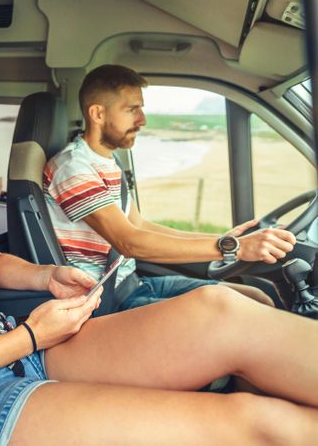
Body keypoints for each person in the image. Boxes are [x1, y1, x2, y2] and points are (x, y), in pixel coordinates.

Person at [0, 66, 318, 445]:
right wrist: (29, 336)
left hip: (17, 348)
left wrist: (48, 276)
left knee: (225, 310)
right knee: (259, 423)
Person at [43, 64, 291, 311]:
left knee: (255, 298)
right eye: (132, 110)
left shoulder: (107, 161)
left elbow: (139, 226)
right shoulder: (73, 167)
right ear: (98, 114)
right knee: (240, 312)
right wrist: (235, 249)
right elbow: (129, 242)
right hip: (104, 300)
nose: (142, 120)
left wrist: (226, 239)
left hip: (131, 283)